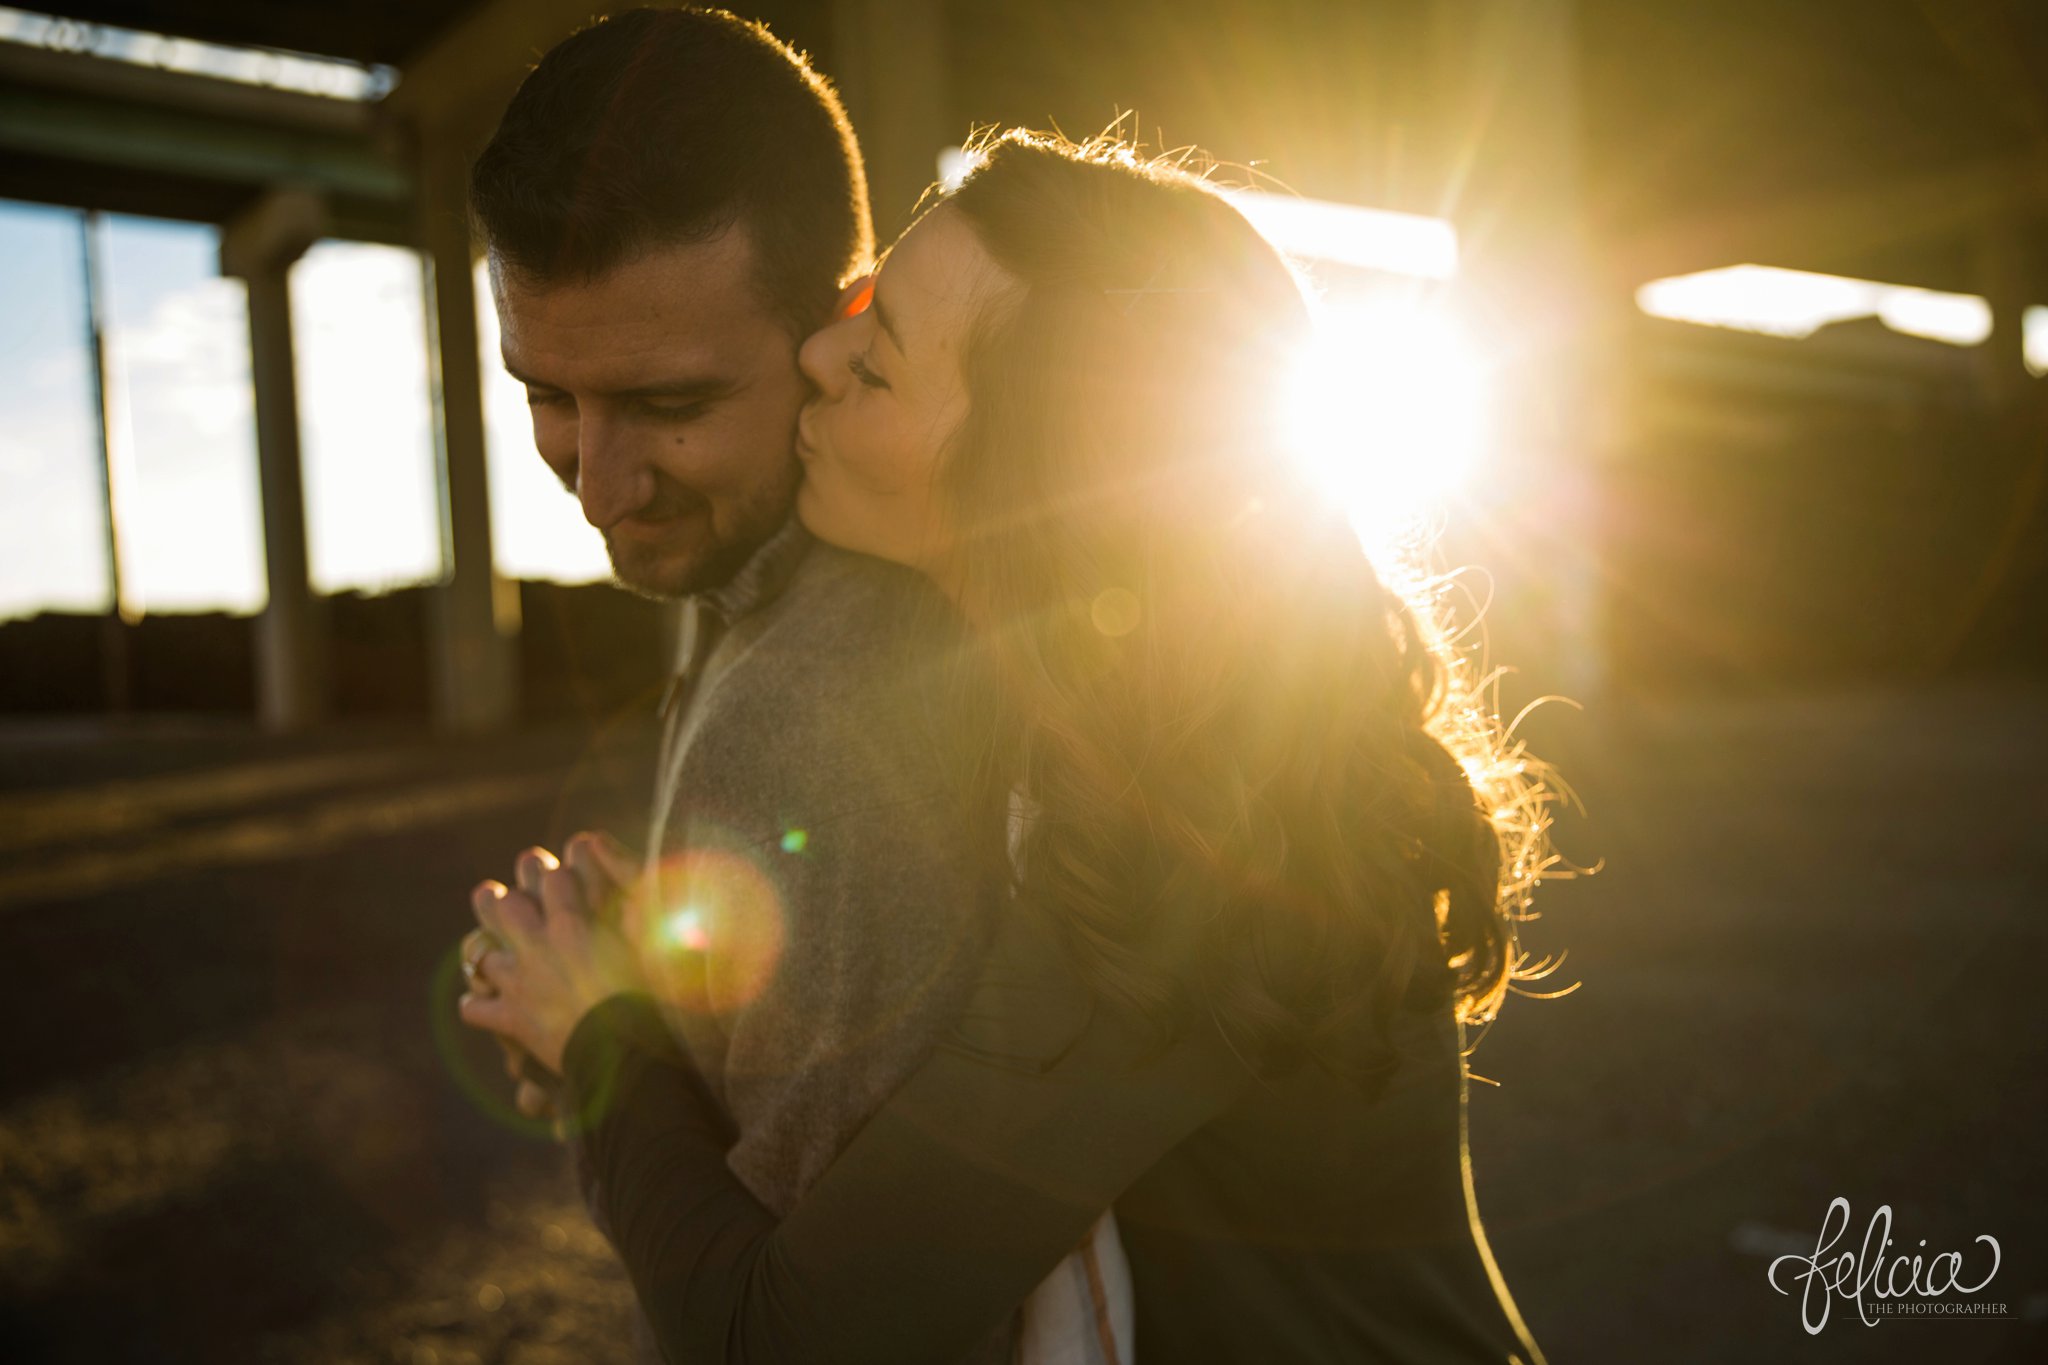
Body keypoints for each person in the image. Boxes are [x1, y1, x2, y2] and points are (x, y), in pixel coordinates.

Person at [459, 126, 1560, 1364]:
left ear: (1030, 488)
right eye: (861, 309)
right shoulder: (1151, 705)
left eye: (876, 370)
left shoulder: (1190, 848)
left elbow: (786, 1339)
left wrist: (598, 1033)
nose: (817, 353)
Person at [451, 12, 1127, 1362]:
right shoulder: (770, 589)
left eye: (666, 402)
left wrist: (608, 1046)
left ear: (842, 335)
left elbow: (810, 1325)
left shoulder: (827, 700)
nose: (598, 485)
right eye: (545, 396)